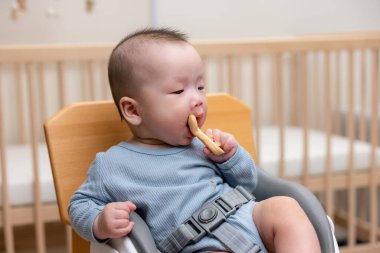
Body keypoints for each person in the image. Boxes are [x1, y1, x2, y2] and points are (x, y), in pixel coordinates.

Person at [68, 27, 320, 253]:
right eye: (179, 91)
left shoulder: (204, 145)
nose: (197, 99)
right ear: (134, 110)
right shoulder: (112, 164)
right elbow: (79, 205)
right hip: (196, 244)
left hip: (249, 218)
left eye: (200, 87)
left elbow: (249, 183)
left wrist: (231, 158)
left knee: (285, 206)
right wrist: (100, 222)